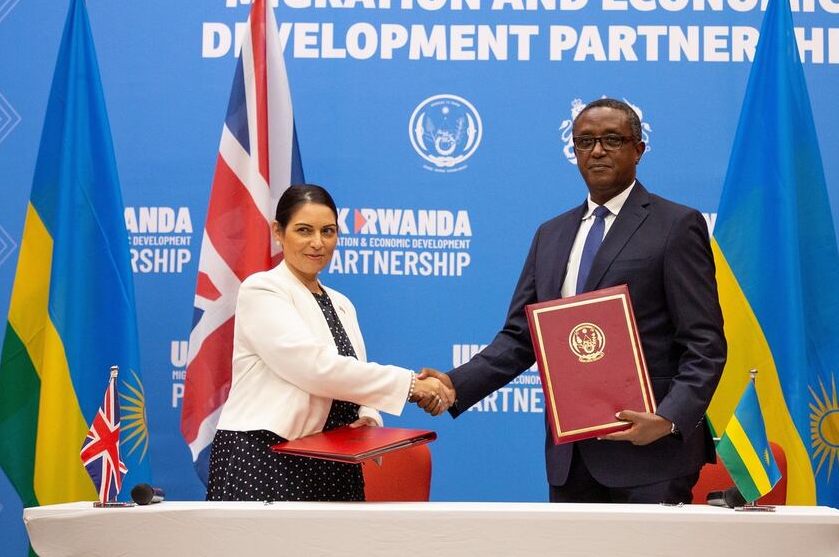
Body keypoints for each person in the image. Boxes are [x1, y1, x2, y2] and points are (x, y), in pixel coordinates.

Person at [418, 98, 726, 503]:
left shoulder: (676, 225)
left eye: (612, 139)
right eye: (585, 142)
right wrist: (456, 385)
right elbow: (521, 336)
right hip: (572, 456)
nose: (597, 151)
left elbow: (704, 343)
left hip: (651, 454)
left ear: (639, 149)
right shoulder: (552, 234)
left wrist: (669, 419)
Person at [206, 184, 452, 502]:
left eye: (328, 231)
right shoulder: (262, 289)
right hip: (266, 456)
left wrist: (367, 420)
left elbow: (354, 378)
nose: (317, 243)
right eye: (304, 230)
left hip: (335, 464)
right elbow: (314, 368)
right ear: (278, 232)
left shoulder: (342, 304)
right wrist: (411, 385)